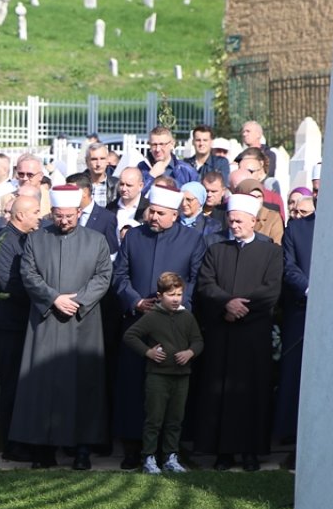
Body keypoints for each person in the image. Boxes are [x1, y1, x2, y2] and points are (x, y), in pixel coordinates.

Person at [13, 185, 113, 470]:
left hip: (84, 322)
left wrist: (78, 301)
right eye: (59, 216)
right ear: (52, 213)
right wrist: (54, 298)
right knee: (43, 384)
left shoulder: (96, 241)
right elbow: (28, 274)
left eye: (70, 216)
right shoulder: (36, 240)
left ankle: (82, 449)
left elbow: (104, 276)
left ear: (79, 213)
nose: (64, 221)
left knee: (85, 386)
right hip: (46, 321)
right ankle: (43, 449)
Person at [109, 185, 206, 468]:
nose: (152, 216)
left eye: (160, 213)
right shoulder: (134, 236)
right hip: (138, 322)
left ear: (174, 215)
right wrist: (136, 302)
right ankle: (133, 447)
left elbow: (197, 279)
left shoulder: (192, 239)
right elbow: (120, 276)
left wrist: (175, 304)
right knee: (133, 387)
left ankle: (169, 450)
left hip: (175, 326)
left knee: (171, 390)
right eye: (151, 210)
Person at [193, 194, 283, 472]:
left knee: (253, 394)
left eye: (240, 221)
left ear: (254, 222)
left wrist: (241, 307)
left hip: (254, 333)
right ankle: (223, 452)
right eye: (231, 220)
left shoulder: (271, 252)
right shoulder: (216, 250)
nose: (234, 225)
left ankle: (251, 452)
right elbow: (205, 284)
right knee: (220, 393)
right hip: (223, 332)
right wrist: (225, 305)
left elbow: (271, 290)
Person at [121, 271, 203, 475]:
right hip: (157, 377)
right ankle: (148, 457)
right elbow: (130, 336)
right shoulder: (152, 317)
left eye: (178, 295)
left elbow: (198, 340)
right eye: (170, 295)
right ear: (159, 296)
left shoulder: (187, 316)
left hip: (181, 376)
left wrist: (190, 352)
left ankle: (171, 457)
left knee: (175, 419)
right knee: (154, 419)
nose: (175, 299)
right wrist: (147, 352)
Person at [0, 195, 41, 461]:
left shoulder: (28, 238)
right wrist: (45, 293)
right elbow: (10, 284)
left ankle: (26, 438)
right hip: (11, 325)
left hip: (28, 322)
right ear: (20, 215)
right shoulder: (2, 242)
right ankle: (11, 443)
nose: (39, 217)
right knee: (11, 385)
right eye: (35, 212)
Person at [274, 201, 315, 463]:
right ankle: (293, 437)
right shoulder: (297, 229)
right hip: (302, 310)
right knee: (295, 375)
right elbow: (289, 267)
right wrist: (312, 290)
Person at [138, 126, 199, 191]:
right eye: (154, 145)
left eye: (162, 144)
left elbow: (197, 197)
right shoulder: (141, 168)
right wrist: (151, 176)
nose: (158, 149)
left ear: (172, 144)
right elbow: (136, 197)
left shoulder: (186, 170)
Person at [107, 166, 149, 234]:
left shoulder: (148, 208)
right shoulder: (110, 208)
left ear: (140, 186)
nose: (124, 189)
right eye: (121, 184)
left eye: (129, 185)